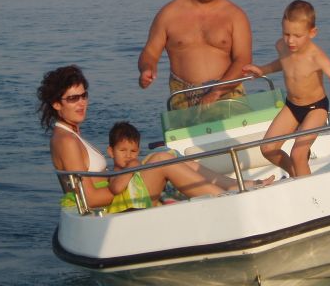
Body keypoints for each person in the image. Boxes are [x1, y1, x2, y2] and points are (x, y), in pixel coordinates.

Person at [37, 65, 271, 211]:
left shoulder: (71, 133)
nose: (81, 103)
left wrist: (127, 173)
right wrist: (126, 176)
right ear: (56, 104)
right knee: (160, 161)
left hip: (116, 189)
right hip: (109, 206)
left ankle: (235, 185)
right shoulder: (66, 141)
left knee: (165, 154)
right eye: (73, 99)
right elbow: (89, 199)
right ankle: (227, 199)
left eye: (83, 96)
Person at [242, 0, 330, 178]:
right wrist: (263, 70)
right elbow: (284, 63)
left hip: (316, 108)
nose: (290, 40)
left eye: (297, 35)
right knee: (267, 148)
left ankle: (306, 187)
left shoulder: (317, 58)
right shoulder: (281, 46)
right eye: (286, 34)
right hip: (291, 106)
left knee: (298, 154)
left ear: (312, 33)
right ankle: (295, 174)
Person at [138, 0, 252, 109]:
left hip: (228, 93)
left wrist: (217, 91)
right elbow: (150, 52)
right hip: (183, 97)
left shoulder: (235, 16)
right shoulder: (168, 15)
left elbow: (243, 60)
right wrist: (147, 68)